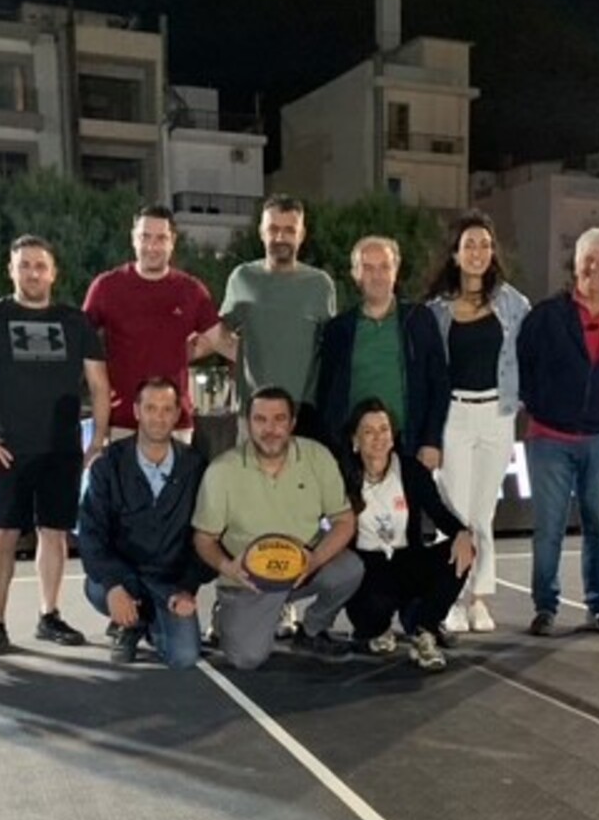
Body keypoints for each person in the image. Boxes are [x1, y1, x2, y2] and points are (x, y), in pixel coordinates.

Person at [0, 234, 110, 657]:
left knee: (54, 534)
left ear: (53, 273)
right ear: (11, 270)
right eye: (25, 265)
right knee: (1, 536)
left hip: (61, 449)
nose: (33, 273)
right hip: (6, 449)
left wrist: (98, 438)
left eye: (40, 266)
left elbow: (99, 383)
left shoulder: (74, 321)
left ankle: (49, 615)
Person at [517, 226, 599, 637]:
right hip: (549, 437)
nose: (595, 267)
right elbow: (523, 364)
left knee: (598, 526)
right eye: (589, 258)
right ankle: (545, 607)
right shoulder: (546, 316)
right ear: (576, 264)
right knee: (548, 529)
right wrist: (540, 404)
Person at [192, 386, 362, 670]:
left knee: (350, 569)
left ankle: (312, 630)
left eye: (279, 419)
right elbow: (203, 538)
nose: (270, 429)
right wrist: (228, 567)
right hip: (248, 580)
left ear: (292, 423)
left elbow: (344, 520)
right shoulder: (222, 470)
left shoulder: (317, 457)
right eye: (260, 420)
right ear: (247, 424)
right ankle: (226, 614)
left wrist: (315, 560)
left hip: (302, 568)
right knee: (247, 659)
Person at [425, 210, 530, 635]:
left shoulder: (513, 304)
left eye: (485, 245)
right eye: (469, 245)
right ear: (455, 253)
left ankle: (478, 598)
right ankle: (447, 597)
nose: (478, 252)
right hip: (454, 415)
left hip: (497, 415)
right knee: (454, 511)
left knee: (483, 512)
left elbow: (529, 356)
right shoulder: (436, 311)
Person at [76, 377, 209, 668]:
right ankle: (128, 622)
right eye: (150, 408)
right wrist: (113, 584)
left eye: (166, 409)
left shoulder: (196, 467)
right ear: (137, 411)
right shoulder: (108, 465)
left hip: (170, 582)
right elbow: (91, 535)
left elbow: (206, 536)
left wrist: (187, 587)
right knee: (97, 588)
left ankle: (145, 622)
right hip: (124, 577)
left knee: (184, 657)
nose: (158, 417)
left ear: (177, 414)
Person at [342, 399, 474, 672]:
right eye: (368, 431)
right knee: (372, 613)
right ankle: (376, 629)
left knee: (461, 551)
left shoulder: (411, 471)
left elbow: (439, 513)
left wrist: (462, 533)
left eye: (384, 429)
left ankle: (424, 631)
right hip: (366, 569)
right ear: (355, 439)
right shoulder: (342, 476)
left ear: (393, 436)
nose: (378, 438)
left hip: (407, 560)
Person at [81, 204, 225, 444]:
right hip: (122, 423)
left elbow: (220, 340)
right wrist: (99, 387)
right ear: (133, 239)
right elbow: (80, 341)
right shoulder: (106, 287)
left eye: (161, 238)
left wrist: (183, 352)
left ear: (172, 241)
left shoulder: (191, 290)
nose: (152, 246)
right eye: (145, 237)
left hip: (175, 424)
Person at [315, 236, 450, 468]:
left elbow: (439, 383)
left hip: (409, 444)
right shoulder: (338, 330)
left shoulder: (418, 320)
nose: (377, 276)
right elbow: (327, 394)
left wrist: (431, 441)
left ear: (395, 271)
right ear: (356, 274)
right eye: (368, 268)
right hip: (353, 450)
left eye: (384, 267)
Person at [218, 195, 336, 436]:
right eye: (273, 229)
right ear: (261, 232)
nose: (280, 237)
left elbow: (331, 349)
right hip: (253, 413)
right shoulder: (242, 278)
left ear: (302, 234)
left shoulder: (320, 285)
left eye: (289, 230)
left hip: (304, 415)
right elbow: (219, 335)